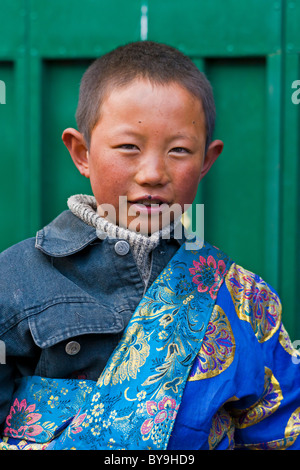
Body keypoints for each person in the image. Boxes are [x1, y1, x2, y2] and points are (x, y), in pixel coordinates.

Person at [0, 41, 299, 451]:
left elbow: (279, 429)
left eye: (179, 150)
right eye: (129, 147)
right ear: (81, 152)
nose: (153, 173)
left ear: (207, 160)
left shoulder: (244, 299)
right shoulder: (15, 279)